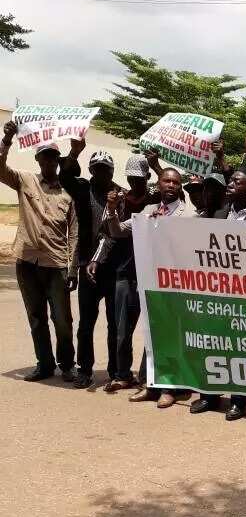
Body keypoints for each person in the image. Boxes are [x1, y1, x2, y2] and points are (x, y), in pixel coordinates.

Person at [0, 121, 78, 381]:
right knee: (36, 317)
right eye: (44, 156)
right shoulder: (25, 180)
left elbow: (74, 233)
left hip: (55, 264)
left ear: (58, 160)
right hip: (26, 261)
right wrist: (6, 140)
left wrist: (72, 267)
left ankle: (67, 365)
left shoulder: (68, 193)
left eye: (53, 156)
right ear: (38, 158)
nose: (48, 161)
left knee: (63, 320)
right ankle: (44, 364)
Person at [108, 167, 192, 409]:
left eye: (176, 182)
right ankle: (151, 386)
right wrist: (112, 210)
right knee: (149, 335)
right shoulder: (147, 211)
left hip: (172, 285)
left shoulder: (190, 216)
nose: (171, 185)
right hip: (144, 281)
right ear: (159, 183)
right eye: (166, 181)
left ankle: (170, 388)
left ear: (180, 186)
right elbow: (117, 231)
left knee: (168, 336)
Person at [190, 171, 246, 422]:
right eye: (231, 181)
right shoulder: (217, 213)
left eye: (237, 182)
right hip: (216, 291)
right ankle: (209, 395)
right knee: (213, 343)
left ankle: (238, 400)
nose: (231, 185)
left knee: (242, 347)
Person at [92, 154, 157, 393]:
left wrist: (158, 165)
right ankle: (122, 374)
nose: (135, 182)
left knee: (154, 330)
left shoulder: (156, 199)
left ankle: (147, 376)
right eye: (131, 177)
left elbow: (173, 191)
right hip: (125, 271)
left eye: (140, 178)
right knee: (122, 329)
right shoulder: (119, 200)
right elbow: (110, 233)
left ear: (147, 177)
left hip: (152, 273)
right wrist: (110, 207)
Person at [58, 139, 121, 388]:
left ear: (112, 172)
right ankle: (85, 369)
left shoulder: (119, 194)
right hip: (87, 268)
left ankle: (116, 371)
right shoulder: (82, 189)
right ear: (91, 170)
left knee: (114, 324)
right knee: (86, 324)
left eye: (106, 168)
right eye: (96, 168)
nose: (101, 172)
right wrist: (74, 151)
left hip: (112, 268)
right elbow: (64, 178)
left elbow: (118, 233)